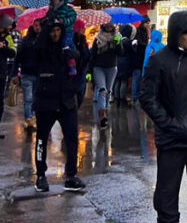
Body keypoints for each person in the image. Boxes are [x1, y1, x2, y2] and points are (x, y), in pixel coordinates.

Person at [140, 9, 187, 223]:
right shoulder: (160, 61)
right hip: (172, 140)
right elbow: (147, 96)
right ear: (175, 33)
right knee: (166, 197)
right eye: (186, 32)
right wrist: (168, 123)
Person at [33, 20, 86, 192]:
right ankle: (41, 174)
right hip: (46, 101)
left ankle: (71, 174)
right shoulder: (41, 48)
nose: (55, 34)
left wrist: (80, 42)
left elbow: (84, 60)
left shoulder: (68, 48)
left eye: (58, 30)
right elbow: (31, 59)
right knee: (41, 139)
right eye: (52, 31)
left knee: (72, 139)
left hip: (66, 100)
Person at [91, 21, 123, 127]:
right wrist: (89, 71)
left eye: (111, 24)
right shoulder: (98, 38)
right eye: (107, 24)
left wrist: (118, 43)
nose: (109, 26)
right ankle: (102, 115)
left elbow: (121, 53)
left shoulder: (117, 37)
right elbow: (92, 55)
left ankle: (105, 110)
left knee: (108, 91)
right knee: (102, 90)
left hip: (112, 68)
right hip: (98, 67)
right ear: (103, 25)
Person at [15, 19, 43, 131]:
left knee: (36, 98)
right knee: (28, 98)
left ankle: (34, 118)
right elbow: (18, 57)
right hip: (27, 73)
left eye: (39, 25)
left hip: (39, 73)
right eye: (35, 25)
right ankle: (29, 119)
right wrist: (15, 72)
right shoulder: (26, 40)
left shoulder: (43, 40)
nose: (37, 27)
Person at [43, 0, 78, 75]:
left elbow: (72, 18)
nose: (53, 1)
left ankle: (72, 65)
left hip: (67, 31)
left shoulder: (68, 10)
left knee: (66, 44)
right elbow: (47, 19)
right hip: (55, 33)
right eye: (52, 0)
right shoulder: (51, 11)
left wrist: (64, 22)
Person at [132, 16, 150, 103]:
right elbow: (139, 42)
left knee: (140, 78)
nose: (148, 25)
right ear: (143, 23)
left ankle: (138, 94)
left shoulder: (145, 31)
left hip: (142, 58)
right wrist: (147, 45)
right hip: (137, 58)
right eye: (147, 23)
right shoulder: (137, 31)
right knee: (137, 77)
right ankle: (135, 95)